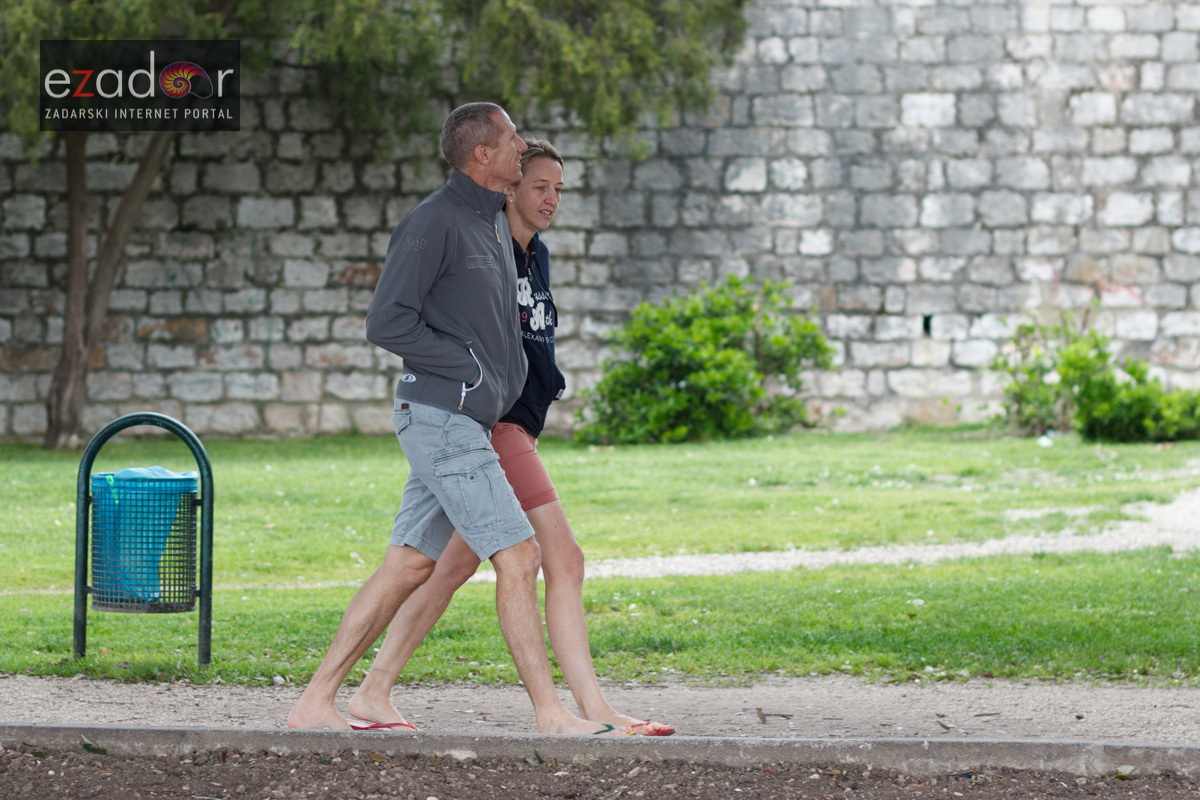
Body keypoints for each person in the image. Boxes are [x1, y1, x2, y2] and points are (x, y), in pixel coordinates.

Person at [287, 104, 603, 735]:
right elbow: (387, 321)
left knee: (409, 565)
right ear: (483, 153)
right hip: (442, 414)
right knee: (518, 556)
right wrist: (468, 369)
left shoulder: (490, 223)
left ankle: (318, 702)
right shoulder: (433, 222)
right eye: (513, 140)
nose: (522, 149)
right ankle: (550, 715)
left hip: (461, 419)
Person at [343, 140, 674, 737]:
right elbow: (411, 322)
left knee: (444, 566)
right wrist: (472, 378)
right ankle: (585, 709)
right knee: (559, 558)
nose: (550, 199)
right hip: (493, 424)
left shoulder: (533, 255)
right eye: (538, 185)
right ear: (509, 187)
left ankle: (372, 688)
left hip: (516, 422)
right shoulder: (482, 248)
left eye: (557, 190)